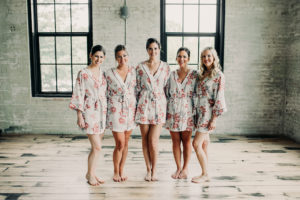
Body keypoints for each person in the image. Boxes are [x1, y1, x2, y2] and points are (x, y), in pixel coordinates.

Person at [69, 45, 107, 186]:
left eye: (101, 57)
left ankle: (91, 173)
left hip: (102, 112)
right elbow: (79, 94)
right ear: (90, 55)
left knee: (95, 148)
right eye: (96, 56)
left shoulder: (103, 73)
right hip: (89, 111)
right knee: (97, 147)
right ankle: (90, 174)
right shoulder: (83, 73)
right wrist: (79, 115)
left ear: (104, 58)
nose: (98, 59)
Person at [135, 38, 170, 181]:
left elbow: (168, 88)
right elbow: (136, 88)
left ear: (159, 49)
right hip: (144, 104)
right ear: (147, 50)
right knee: (145, 140)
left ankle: (155, 170)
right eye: (150, 48)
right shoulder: (140, 67)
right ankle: (148, 170)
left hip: (159, 105)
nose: (153, 51)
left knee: (153, 141)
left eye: (155, 48)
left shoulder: (165, 67)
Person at [192, 47, 227, 183]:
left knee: (196, 144)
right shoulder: (201, 74)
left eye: (209, 56)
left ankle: (205, 174)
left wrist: (214, 119)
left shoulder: (219, 76)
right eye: (203, 56)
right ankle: (205, 172)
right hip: (199, 112)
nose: (206, 59)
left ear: (214, 58)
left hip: (208, 114)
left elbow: (219, 98)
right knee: (205, 144)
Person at [105, 45, 136, 182]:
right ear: (115, 58)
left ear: (128, 56)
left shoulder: (134, 71)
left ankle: (122, 169)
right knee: (120, 143)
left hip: (130, 109)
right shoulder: (109, 73)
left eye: (124, 55)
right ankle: (116, 171)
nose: (122, 59)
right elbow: (103, 92)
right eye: (119, 56)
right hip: (116, 110)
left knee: (126, 143)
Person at [165, 47, 198, 179]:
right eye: (179, 56)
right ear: (176, 58)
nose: (181, 59)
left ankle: (185, 168)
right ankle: (178, 168)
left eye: (184, 56)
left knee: (186, 141)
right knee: (175, 141)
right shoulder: (171, 75)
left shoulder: (195, 74)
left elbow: (199, 92)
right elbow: (166, 93)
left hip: (188, 112)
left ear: (188, 59)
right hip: (173, 112)